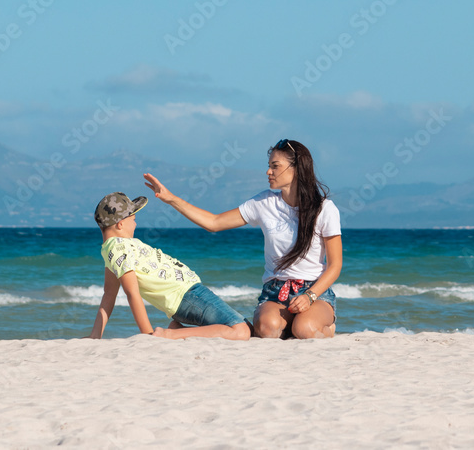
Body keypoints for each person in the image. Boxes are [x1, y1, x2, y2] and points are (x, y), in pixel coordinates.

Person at [143, 139, 342, 339]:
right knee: (266, 329)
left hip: (314, 292)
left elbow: (335, 265)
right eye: (269, 166)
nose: (268, 172)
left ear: (297, 168)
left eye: (275, 166)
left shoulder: (325, 209)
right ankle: (289, 325)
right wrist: (171, 199)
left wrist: (309, 296)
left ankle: (319, 326)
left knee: (305, 330)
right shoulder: (263, 203)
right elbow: (214, 222)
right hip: (276, 291)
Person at [86, 191, 250, 341]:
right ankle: (170, 334)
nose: (135, 225)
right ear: (120, 224)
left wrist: (95, 335)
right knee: (241, 330)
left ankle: (176, 329)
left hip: (188, 296)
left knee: (248, 327)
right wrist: (148, 334)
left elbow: (109, 293)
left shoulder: (112, 250)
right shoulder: (118, 248)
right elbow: (132, 293)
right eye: (133, 220)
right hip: (188, 296)